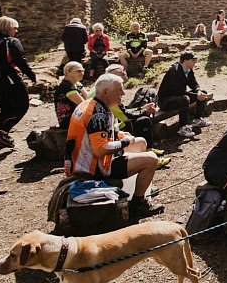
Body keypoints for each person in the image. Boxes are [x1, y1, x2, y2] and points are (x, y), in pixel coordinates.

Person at [65, 74, 164, 219]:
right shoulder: (97, 113)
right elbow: (100, 150)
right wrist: (125, 142)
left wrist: (119, 135)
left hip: (82, 162)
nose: (123, 94)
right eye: (120, 90)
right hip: (92, 171)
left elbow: (95, 134)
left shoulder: (90, 104)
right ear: (106, 92)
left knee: (141, 142)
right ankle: (138, 204)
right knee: (151, 159)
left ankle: (142, 187)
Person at [0, 16, 37, 149]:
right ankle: (2, 133)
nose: (16, 31)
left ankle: (2, 139)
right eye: (14, 28)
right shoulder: (11, 41)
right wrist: (32, 76)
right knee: (22, 106)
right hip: (9, 79)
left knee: (6, 108)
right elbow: (20, 61)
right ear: (8, 28)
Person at [100, 64, 165, 162]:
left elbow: (123, 111)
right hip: (110, 132)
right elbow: (125, 116)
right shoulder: (108, 91)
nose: (125, 77)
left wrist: (141, 108)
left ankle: (147, 150)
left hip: (113, 127)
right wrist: (144, 111)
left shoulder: (107, 86)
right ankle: (148, 156)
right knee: (144, 120)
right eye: (122, 75)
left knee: (143, 119)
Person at [157, 52, 211, 138]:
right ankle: (183, 127)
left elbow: (194, 84)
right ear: (185, 61)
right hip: (165, 102)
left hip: (178, 97)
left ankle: (197, 119)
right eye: (193, 60)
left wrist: (199, 91)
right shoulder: (175, 71)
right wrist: (196, 96)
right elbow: (179, 91)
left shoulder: (188, 70)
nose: (195, 62)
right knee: (184, 99)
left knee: (202, 92)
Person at [54, 61, 87, 129]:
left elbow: (89, 98)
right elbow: (83, 104)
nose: (82, 73)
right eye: (78, 71)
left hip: (77, 115)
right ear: (68, 72)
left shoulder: (78, 84)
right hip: (68, 119)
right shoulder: (66, 86)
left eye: (82, 71)